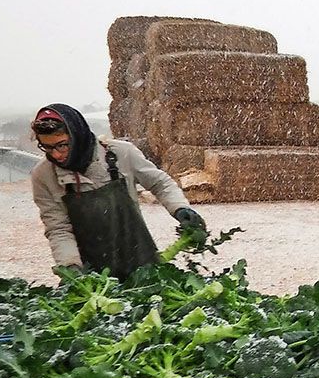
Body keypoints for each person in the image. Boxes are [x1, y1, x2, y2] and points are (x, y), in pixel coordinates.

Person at [29, 103, 205, 279]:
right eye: (48, 147)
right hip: (93, 276)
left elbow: (160, 183)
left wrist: (180, 208)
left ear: (76, 134)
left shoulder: (121, 153)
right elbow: (58, 228)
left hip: (142, 265)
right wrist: (71, 268)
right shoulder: (43, 176)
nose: (57, 155)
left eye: (62, 145)